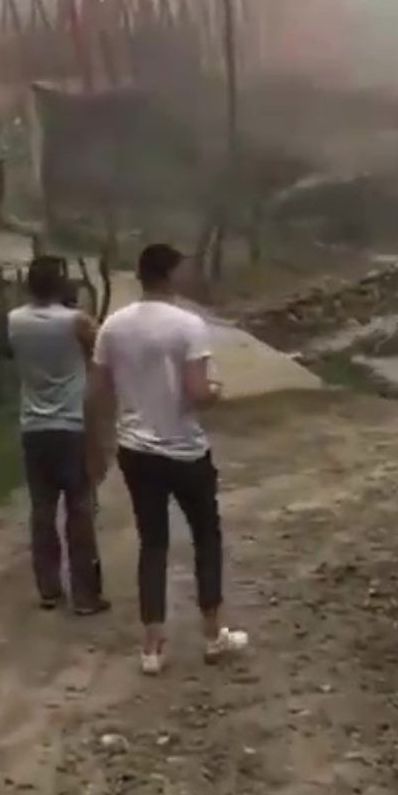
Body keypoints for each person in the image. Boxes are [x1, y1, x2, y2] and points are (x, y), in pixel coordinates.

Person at [92, 243, 247, 674]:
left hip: (136, 449)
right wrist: (216, 392)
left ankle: (152, 646)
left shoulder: (113, 326)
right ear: (172, 276)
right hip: (183, 449)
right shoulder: (187, 325)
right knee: (205, 536)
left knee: (153, 543)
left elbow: (99, 392)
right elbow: (198, 394)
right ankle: (214, 633)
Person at [2, 256, 107, 614]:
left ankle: (48, 588)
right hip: (72, 426)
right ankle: (85, 594)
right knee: (79, 509)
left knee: (42, 510)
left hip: (33, 426)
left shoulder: (14, 321)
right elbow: (102, 352)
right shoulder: (76, 322)